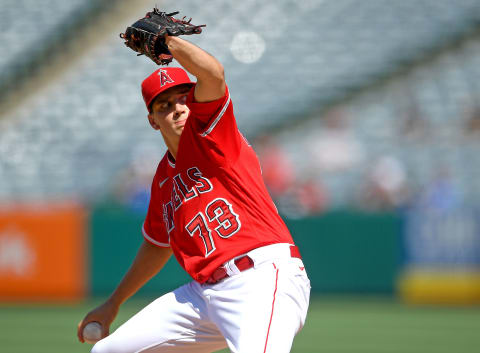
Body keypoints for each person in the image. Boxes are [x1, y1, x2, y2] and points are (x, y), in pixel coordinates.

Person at [77, 35, 310, 353]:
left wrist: (168, 42)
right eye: (164, 105)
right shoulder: (162, 179)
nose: (177, 109)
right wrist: (113, 303)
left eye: (183, 98)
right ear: (153, 121)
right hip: (205, 295)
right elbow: (157, 246)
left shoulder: (213, 133)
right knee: (108, 351)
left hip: (260, 277)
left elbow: (214, 75)